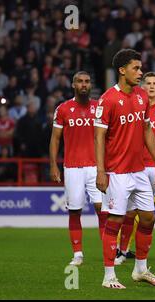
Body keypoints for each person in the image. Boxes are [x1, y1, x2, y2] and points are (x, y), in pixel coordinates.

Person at [94, 49, 155, 289]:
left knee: (148, 218)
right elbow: (99, 137)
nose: (140, 72)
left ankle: (140, 270)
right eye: (136, 68)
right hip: (117, 171)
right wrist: (101, 171)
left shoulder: (141, 96)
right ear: (122, 70)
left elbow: (147, 130)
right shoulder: (107, 100)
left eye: (141, 67)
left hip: (139, 170)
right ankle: (109, 276)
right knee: (115, 220)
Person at [114, 73, 155, 265]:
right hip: (138, 168)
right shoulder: (134, 105)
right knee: (131, 211)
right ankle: (123, 251)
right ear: (143, 86)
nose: (151, 87)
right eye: (148, 83)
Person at [49, 71, 106, 266]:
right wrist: (53, 164)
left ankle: (109, 251)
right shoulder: (63, 109)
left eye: (87, 82)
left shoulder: (99, 108)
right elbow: (55, 139)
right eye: (80, 81)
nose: (84, 84)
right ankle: (78, 254)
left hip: (95, 167)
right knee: (75, 211)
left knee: (102, 210)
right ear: (73, 85)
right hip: (72, 167)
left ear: (90, 85)